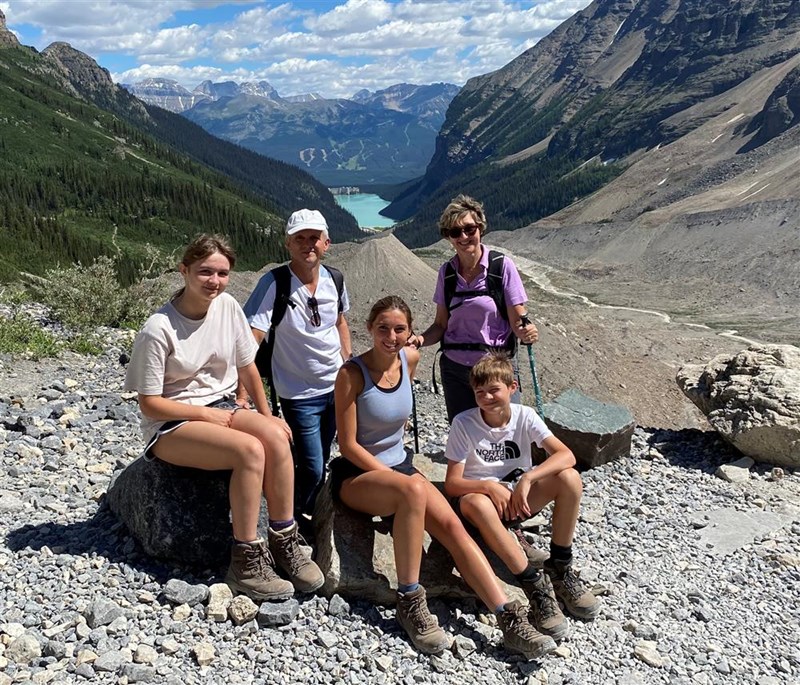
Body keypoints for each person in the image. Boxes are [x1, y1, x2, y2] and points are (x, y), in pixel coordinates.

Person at [331, 296, 556, 659]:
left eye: (399, 329)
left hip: (402, 469)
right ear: (369, 328)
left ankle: (508, 616)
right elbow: (349, 445)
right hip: (358, 474)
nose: (391, 336)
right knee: (412, 490)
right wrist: (395, 480)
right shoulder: (351, 374)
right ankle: (409, 599)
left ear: (410, 332)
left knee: (452, 527)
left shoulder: (410, 359)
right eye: (383, 328)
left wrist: (404, 479)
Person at [124, 234, 324, 601]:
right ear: (184, 271)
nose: (214, 281)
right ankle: (245, 562)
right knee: (250, 451)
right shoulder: (158, 329)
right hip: (171, 424)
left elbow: (247, 366)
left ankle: (284, 539)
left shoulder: (228, 307)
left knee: (276, 437)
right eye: (205, 272)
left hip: (221, 405)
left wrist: (267, 415)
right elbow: (150, 404)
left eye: (222, 273)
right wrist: (204, 414)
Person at [444, 354, 600, 641]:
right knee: (478, 503)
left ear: (512, 387)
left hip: (517, 499)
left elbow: (566, 455)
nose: (487, 397)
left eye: (494, 390)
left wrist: (529, 478)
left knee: (569, 478)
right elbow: (452, 483)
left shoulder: (525, 415)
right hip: (480, 502)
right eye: (480, 392)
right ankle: (534, 584)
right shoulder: (464, 423)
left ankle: (560, 567)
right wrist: (488, 487)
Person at [241, 209, 352, 525]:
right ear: (288, 244)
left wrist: (347, 364)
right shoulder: (274, 283)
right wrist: (242, 393)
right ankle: (289, 519)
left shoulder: (335, 280)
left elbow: (340, 322)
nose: (308, 244)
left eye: (314, 238)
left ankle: (307, 513)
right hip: (298, 394)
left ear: (326, 243)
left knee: (320, 457)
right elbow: (251, 339)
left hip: (335, 388)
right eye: (300, 238)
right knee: (313, 466)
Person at [408, 194, 538, 424]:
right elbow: (441, 324)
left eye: (469, 229)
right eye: (455, 232)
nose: (464, 236)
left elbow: (518, 319)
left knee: (503, 432)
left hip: (494, 370)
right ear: (448, 237)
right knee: (464, 433)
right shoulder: (447, 273)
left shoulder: (501, 267)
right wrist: (418, 340)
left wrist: (527, 331)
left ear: (480, 228)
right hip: (455, 370)